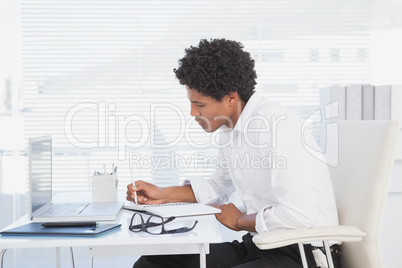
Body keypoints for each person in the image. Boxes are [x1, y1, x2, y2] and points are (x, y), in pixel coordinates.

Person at [126, 38, 341, 268]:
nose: (191, 113)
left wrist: (240, 221)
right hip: (260, 245)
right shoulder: (231, 129)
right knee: (152, 263)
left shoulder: (275, 125)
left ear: (231, 97)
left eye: (200, 105)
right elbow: (219, 188)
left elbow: (299, 215)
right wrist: (162, 194)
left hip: (303, 252)